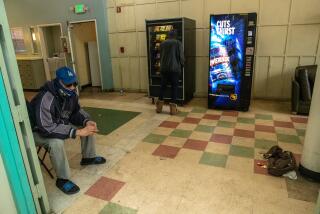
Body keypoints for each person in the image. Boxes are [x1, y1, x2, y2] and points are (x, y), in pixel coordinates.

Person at [29, 66, 106, 195]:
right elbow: (46, 128)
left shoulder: (71, 94)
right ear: (59, 82)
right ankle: (62, 179)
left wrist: (85, 121)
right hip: (38, 131)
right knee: (56, 143)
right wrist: (76, 132)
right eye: (68, 84)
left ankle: (88, 157)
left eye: (75, 83)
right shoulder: (46, 98)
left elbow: (75, 112)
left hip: (57, 123)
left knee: (87, 126)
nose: (72, 87)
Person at [156, 29, 184, 115]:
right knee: (174, 88)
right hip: (174, 69)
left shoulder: (162, 43)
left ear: (168, 35)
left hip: (164, 69)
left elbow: (160, 56)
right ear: (175, 35)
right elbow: (181, 56)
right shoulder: (177, 43)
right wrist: (182, 64)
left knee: (163, 87)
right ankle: (172, 110)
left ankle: (159, 108)